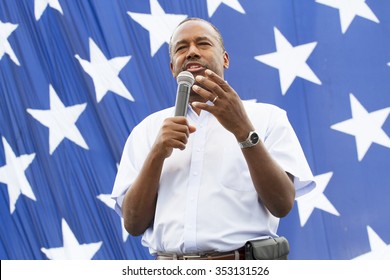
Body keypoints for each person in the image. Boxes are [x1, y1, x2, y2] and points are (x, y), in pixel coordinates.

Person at [111, 18, 316, 260]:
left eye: (203, 44)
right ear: (172, 68)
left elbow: (282, 204)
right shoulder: (147, 130)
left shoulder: (268, 118)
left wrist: (243, 131)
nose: (192, 52)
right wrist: (157, 153)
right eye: (181, 48)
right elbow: (133, 224)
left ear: (225, 59)